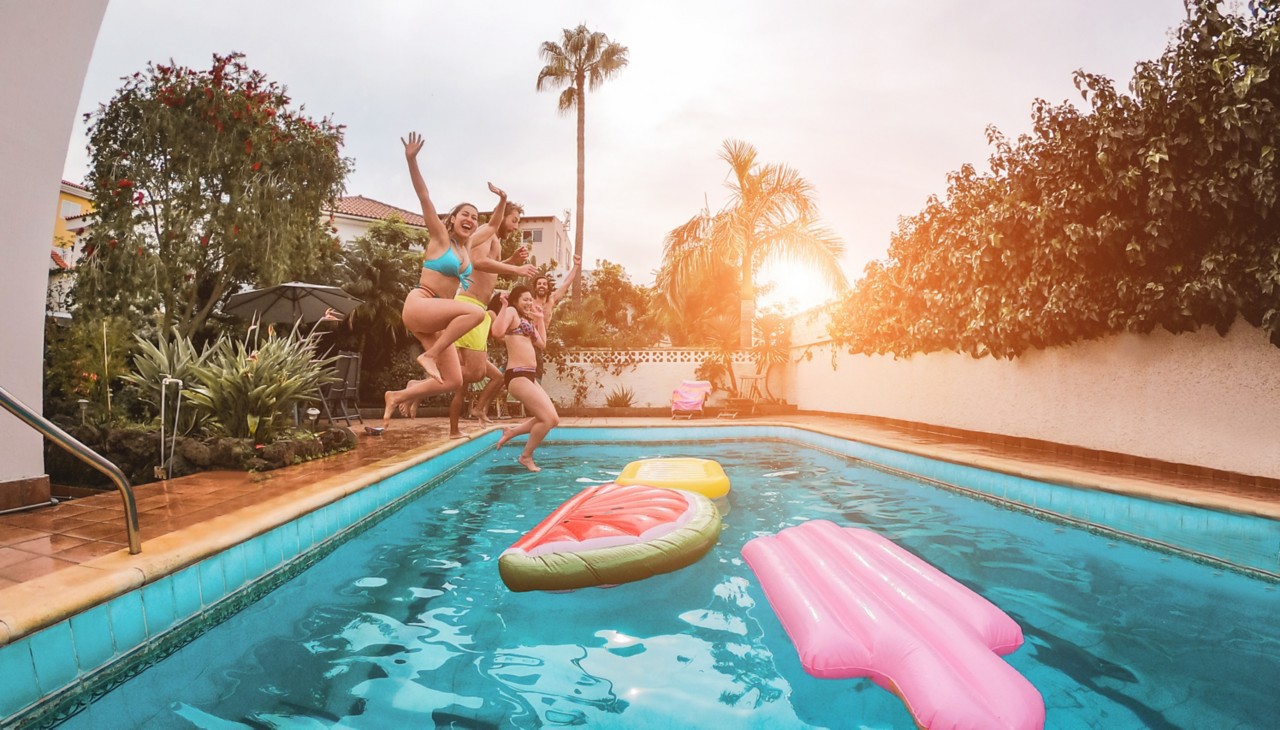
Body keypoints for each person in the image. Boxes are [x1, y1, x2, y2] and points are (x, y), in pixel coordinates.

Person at [379, 131, 490, 430]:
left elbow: (493, 227)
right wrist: (412, 160)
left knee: (453, 380)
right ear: (452, 219)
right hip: (421, 303)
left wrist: (504, 200)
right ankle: (430, 355)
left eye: (475, 217)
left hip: (436, 320)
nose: (471, 219)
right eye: (465, 214)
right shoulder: (440, 238)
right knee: (476, 313)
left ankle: (398, 394)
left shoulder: (465, 249)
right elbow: (424, 196)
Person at [447, 195, 538, 438]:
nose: (515, 226)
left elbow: (485, 268)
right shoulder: (488, 233)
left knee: (479, 380)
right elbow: (478, 261)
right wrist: (515, 268)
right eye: (514, 220)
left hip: (476, 308)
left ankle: (456, 429)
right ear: (503, 215)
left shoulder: (493, 239)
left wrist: (510, 261)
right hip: (470, 305)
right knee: (472, 375)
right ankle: (423, 386)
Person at [492, 285, 559, 472]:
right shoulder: (512, 312)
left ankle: (512, 431)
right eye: (525, 299)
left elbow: (542, 344)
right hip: (517, 374)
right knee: (545, 419)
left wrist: (539, 319)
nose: (529, 302)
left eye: (531, 299)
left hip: (529, 376)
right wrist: (504, 306)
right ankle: (526, 456)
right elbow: (497, 332)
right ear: (515, 301)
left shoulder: (526, 321)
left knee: (552, 419)